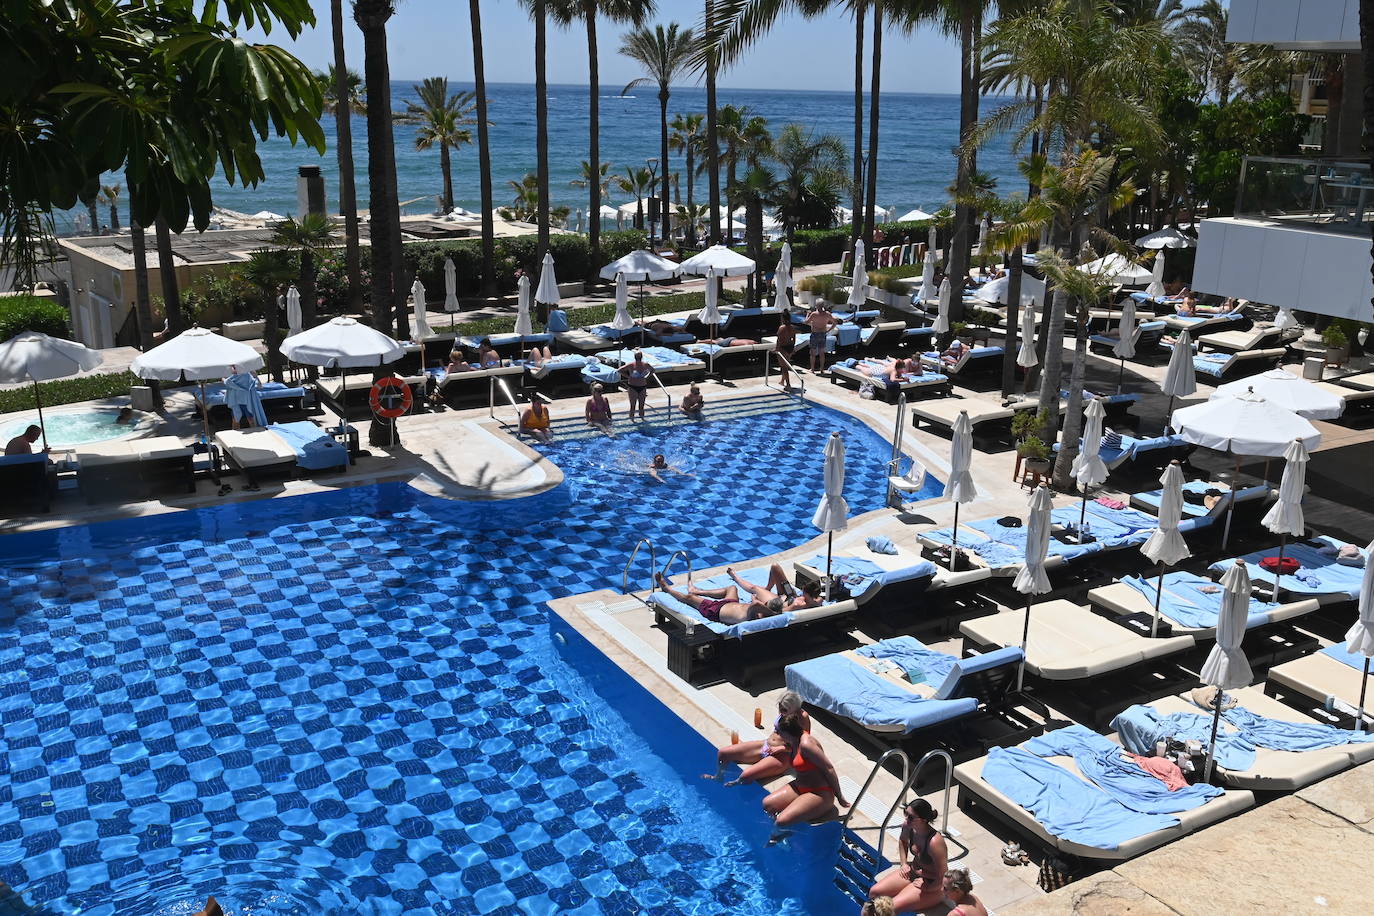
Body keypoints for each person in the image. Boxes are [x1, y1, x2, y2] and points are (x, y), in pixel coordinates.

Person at [762, 713, 849, 845]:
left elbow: (829, 768)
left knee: (782, 820)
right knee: (767, 804)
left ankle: (781, 837)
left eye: (779, 732)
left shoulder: (807, 745)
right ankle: (779, 832)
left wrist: (840, 796)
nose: (777, 735)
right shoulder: (792, 741)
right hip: (800, 787)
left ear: (788, 733)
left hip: (819, 792)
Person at [706, 690, 813, 786]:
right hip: (765, 745)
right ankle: (718, 777)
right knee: (723, 753)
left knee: (745, 776)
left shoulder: (802, 718)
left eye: (784, 709)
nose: (781, 711)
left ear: (793, 708)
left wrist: (780, 748)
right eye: (780, 707)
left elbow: (802, 745)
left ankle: (733, 785)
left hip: (783, 756)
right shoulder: (784, 710)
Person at [868, 798, 948, 914]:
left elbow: (944, 876)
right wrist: (904, 863)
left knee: (890, 908)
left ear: (923, 820)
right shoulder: (908, 826)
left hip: (933, 883)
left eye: (911, 817)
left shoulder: (935, 842)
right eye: (906, 813)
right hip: (913, 872)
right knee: (874, 892)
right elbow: (903, 841)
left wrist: (928, 888)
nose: (906, 819)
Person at [653, 571, 784, 624]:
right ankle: (697, 591)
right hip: (731, 603)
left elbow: (756, 605)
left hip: (715, 610)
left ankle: (667, 588)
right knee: (732, 588)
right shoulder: (760, 611)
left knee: (688, 598)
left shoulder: (756, 614)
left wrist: (756, 600)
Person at [223, 364, 267, 430]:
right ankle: (235, 434)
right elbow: (257, 384)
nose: (232, 369)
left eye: (234, 367)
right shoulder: (240, 376)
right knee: (236, 419)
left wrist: (255, 376)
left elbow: (257, 384)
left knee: (248, 418)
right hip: (238, 400)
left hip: (244, 400)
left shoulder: (246, 375)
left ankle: (254, 432)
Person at [618, 349, 655, 421]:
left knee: (641, 406)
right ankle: (632, 420)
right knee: (633, 406)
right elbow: (619, 370)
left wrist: (647, 376)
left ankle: (642, 420)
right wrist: (628, 376)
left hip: (642, 387)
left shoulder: (645, 364)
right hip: (633, 387)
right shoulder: (631, 365)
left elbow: (653, 370)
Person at [804, 304, 838, 373]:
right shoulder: (827, 314)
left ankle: (812, 369)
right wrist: (829, 330)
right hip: (823, 334)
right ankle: (821, 369)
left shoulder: (814, 314)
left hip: (815, 334)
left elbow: (806, 322)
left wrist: (807, 314)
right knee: (821, 353)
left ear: (816, 306)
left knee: (813, 352)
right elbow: (835, 322)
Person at [775, 317, 798, 388]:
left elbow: (779, 340)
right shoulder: (792, 327)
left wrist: (776, 349)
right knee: (785, 364)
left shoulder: (782, 328)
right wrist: (793, 348)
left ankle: (788, 384)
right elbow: (794, 338)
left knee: (784, 367)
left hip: (783, 347)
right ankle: (782, 381)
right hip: (790, 347)